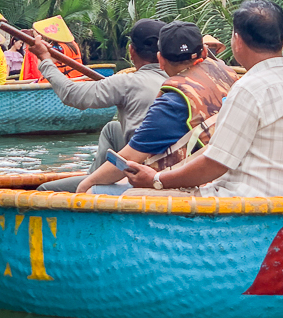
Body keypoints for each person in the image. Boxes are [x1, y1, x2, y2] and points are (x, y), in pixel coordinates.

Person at [118, 0, 283, 198]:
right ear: (282, 41)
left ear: (237, 41)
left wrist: (156, 180)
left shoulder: (249, 88)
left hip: (241, 203)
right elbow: (218, 154)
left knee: (131, 197)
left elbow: (215, 164)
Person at [67, 21, 241, 194]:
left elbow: (128, 158)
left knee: (93, 191)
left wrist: (86, 184)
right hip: (225, 172)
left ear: (161, 60)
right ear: (204, 52)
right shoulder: (226, 73)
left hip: (194, 184)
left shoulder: (173, 101)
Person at [32, 19, 169, 191]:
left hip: (148, 170)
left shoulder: (127, 82)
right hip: (166, 159)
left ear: (131, 51)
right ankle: (95, 177)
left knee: (44, 190)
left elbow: (72, 95)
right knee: (112, 128)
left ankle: (92, 186)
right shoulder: (180, 79)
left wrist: (45, 60)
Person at [20, 16, 84, 82]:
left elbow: (41, 65)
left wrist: (39, 48)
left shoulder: (57, 47)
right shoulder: (73, 44)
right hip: (76, 81)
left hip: (60, 84)